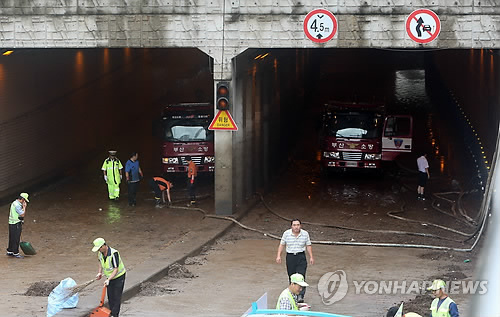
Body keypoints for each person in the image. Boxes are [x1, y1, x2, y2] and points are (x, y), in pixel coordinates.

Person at [276, 219, 314, 303]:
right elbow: (282, 244)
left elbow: (308, 245)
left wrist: (311, 257)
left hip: (301, 256)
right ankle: (293, 294)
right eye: (294, 225)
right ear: (291, 226)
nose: (296, 227)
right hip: (290, 257)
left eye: (298, 225)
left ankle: (300, 296)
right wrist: (278, 255)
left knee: (301, 276)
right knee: (292, 276)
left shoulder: (305, 234)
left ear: (300, 226)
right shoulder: (286, 234)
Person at [92, 237, 126, 317]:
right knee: (110, 297)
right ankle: (111, 313)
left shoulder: (114, 254)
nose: (99, 250)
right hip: (109, 278)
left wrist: (109, 279)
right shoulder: (100, 253)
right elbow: (100, 262)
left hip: (118, 277)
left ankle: (114, 315)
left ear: (104, 246)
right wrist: (99, 273)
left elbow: (115, 269)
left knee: (116, 297)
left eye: (99, 248)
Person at [6, 193, 29, 259]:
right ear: (22, 199)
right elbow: (22, 214)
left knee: (11, 237)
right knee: (16, 238)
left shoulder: (14, 202)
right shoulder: (18, 206)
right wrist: (24, 207)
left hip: (11, 222)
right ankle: (16, 253)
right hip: (16, 223)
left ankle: (10, 251)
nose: (24, 202)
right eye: (24, 200)